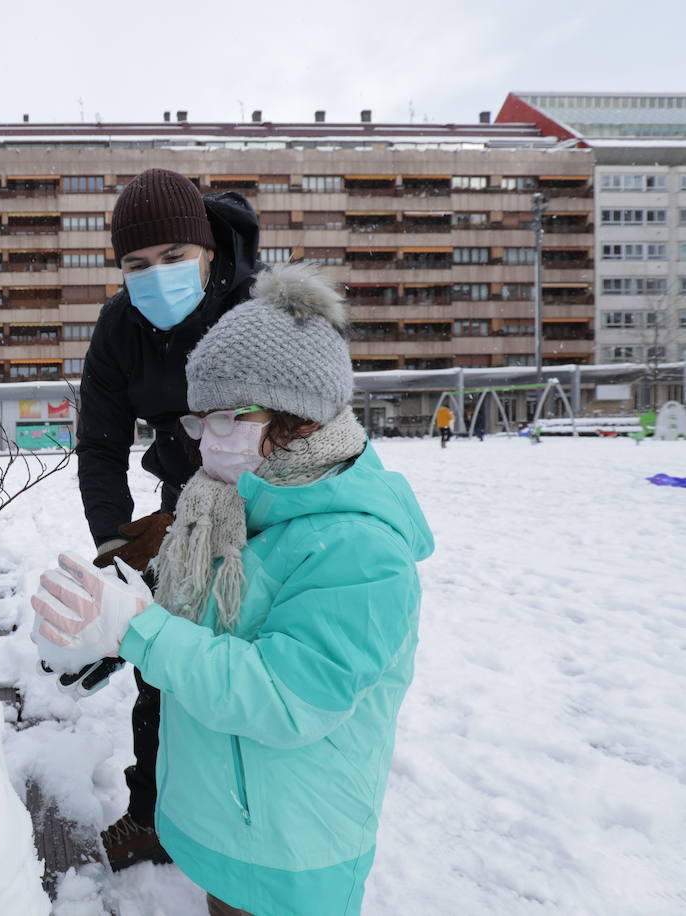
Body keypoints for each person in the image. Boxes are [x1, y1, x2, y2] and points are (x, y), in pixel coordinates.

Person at [32, 264, 432, 916]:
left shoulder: (362, 550)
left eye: (224, 418)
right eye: (199, 420)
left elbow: (283, 696)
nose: (202, 441)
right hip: (234, 830)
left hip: (295, 850)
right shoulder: (228, 507)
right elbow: (205, 636)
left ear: (298, 417)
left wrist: (138, 626)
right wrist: (108, 635)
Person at [74, 167, 262, 869]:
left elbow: (301, 428)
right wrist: (119, 544)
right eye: (136, 265)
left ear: (208, 250)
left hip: (268, 501)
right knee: (159, 664)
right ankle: (151, 813)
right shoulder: (121, 326)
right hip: (180, 502)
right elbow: (99, 443)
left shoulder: (256, 312)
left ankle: (247, 826)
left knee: (247, 663)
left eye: (173, 259)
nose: (156, 278)